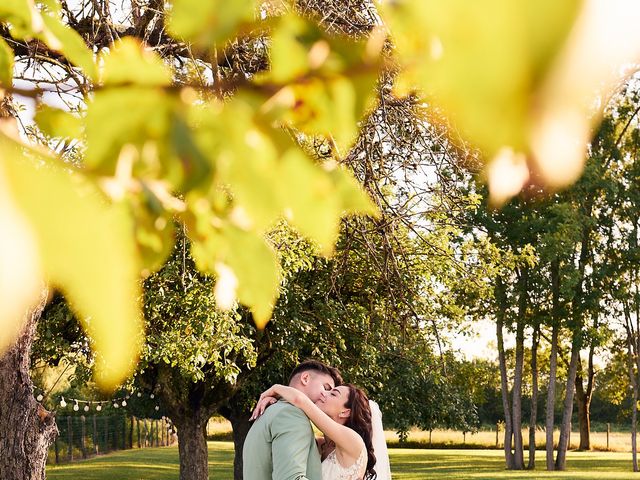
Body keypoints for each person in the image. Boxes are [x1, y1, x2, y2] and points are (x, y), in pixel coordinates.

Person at [251, 382, 380, 480]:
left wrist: (275, 389)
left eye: (333, 394)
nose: (324, 393)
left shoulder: (354, 441)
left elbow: (300, 400)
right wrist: (275, 403)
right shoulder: (320, 445)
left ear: (345, 412)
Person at [242, 360, 343, 480]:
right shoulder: (292, 415)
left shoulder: (271, 411)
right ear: (305, 378)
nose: (326, 396)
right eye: (326, 388)